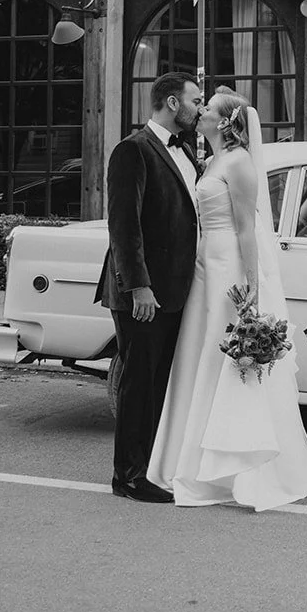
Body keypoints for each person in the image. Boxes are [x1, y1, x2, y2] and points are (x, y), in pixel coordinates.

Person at [147, 87, 307, 510]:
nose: (200, 111)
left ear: (225, 123)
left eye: (207, 108)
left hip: (228, 265)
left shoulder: (240, 163)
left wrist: (252, 288)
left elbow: (248, 227)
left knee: (224, 359)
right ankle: (190, 458)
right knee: (199, 356)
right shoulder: (211, 161)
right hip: (203, 266)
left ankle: (235, 468)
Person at [98, 71, 204, 503]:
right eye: (195, 100)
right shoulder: (132, 150)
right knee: (138, 384)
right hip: (143, 294)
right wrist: (138, 287)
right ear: (173, 103)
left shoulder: (186, 151)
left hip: (177, 290)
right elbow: (124, 228)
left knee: (159, 382)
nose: (200, 107)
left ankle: (150, 467)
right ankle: (127, 477)